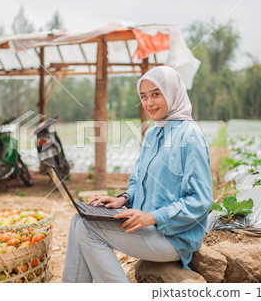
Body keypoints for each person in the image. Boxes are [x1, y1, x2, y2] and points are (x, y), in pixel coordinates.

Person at [62, 66, 213, 283]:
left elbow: (200, 201)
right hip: (146, 227)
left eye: (156, 94)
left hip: (173, 237)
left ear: (172, 93)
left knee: (87, 228)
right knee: (79, 218)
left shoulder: (190, 137)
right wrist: (122, 199)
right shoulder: (152, 134)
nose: (149, 103)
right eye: (143, 96)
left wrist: (153, 216)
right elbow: (138, 182)